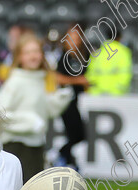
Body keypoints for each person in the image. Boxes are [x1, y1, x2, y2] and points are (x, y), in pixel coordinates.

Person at [0, 32, 72, 190]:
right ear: (19, 56)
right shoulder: (16, 81)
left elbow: (42, 111)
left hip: (35, 144)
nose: (33, 56)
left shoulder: (38, 79)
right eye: (28, 52)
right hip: (17, 145)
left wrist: (58, 101)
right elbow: (1, 114)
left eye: (36, 51)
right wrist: (29, 122)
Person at [53, 23, 90, 170]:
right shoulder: (63, 57)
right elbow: (58, 78)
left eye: (76, 37)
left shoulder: (83, 56)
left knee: (77, 134)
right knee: (76, 134)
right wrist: (78, 80)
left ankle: (66, 158)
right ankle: (62, 155)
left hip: (77, 100)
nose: (74, 40)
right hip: (65, 101)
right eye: (71, 37)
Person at [86, 29, 132, 96]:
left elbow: (90, 75)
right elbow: (125, 73)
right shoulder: (124, 52)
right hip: (116, 94)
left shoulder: (97, 52)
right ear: (119, 38)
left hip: (97, 94)